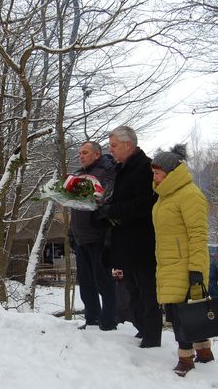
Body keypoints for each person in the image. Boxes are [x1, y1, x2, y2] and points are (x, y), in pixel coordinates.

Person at [95, 126, 162, 347]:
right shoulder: (120, 168)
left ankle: (152, 335)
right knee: (132, 289)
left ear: (128, 145)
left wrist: (112, 211)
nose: (110, 150)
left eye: (113, 146)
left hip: (142, 240)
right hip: (125, 240)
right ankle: (142, 328)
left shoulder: (145, 167)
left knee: (146, 289)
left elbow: (144, 204)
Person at [151, 144, 214, 377]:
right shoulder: (164, 197)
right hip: (168, 263)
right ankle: (205, 352)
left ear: (171, 174)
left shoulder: (189, 195)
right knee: (185, 311)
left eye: (158, 173)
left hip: (186, 264)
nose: (155, 177)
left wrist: (196, 269)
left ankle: (186, 358)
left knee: (182, 315)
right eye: (154, 173)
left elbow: (198, 234)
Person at [69, 141, 117, 331]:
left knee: (103, 281)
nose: (81, 156)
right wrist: (71, 234)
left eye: (85, 152)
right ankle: (92, 318)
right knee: (86, 282)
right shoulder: (78, 174)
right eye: (80, 153)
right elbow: (74, 208)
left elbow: (104, 199)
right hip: (80, 236)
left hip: (98, 236)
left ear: (96, 154)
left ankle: (109, 320)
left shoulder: (107, 171)